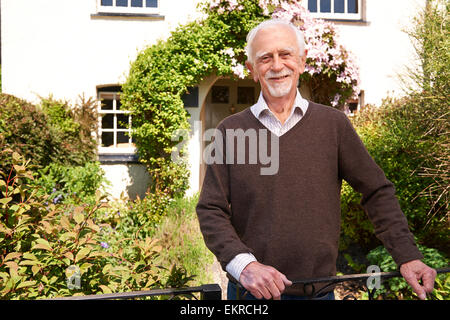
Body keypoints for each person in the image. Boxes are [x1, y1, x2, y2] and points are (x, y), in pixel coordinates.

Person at [196, 19, 436, 300]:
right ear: (252, 70)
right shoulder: (231, 130)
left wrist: (407, 255)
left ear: (301, 61)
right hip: (252, 295)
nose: (276, 66)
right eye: (265, 58)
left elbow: (377, 191)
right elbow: (210, 210)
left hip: (319, 293)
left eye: (285, 54)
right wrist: (243, 264)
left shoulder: (333, 125)